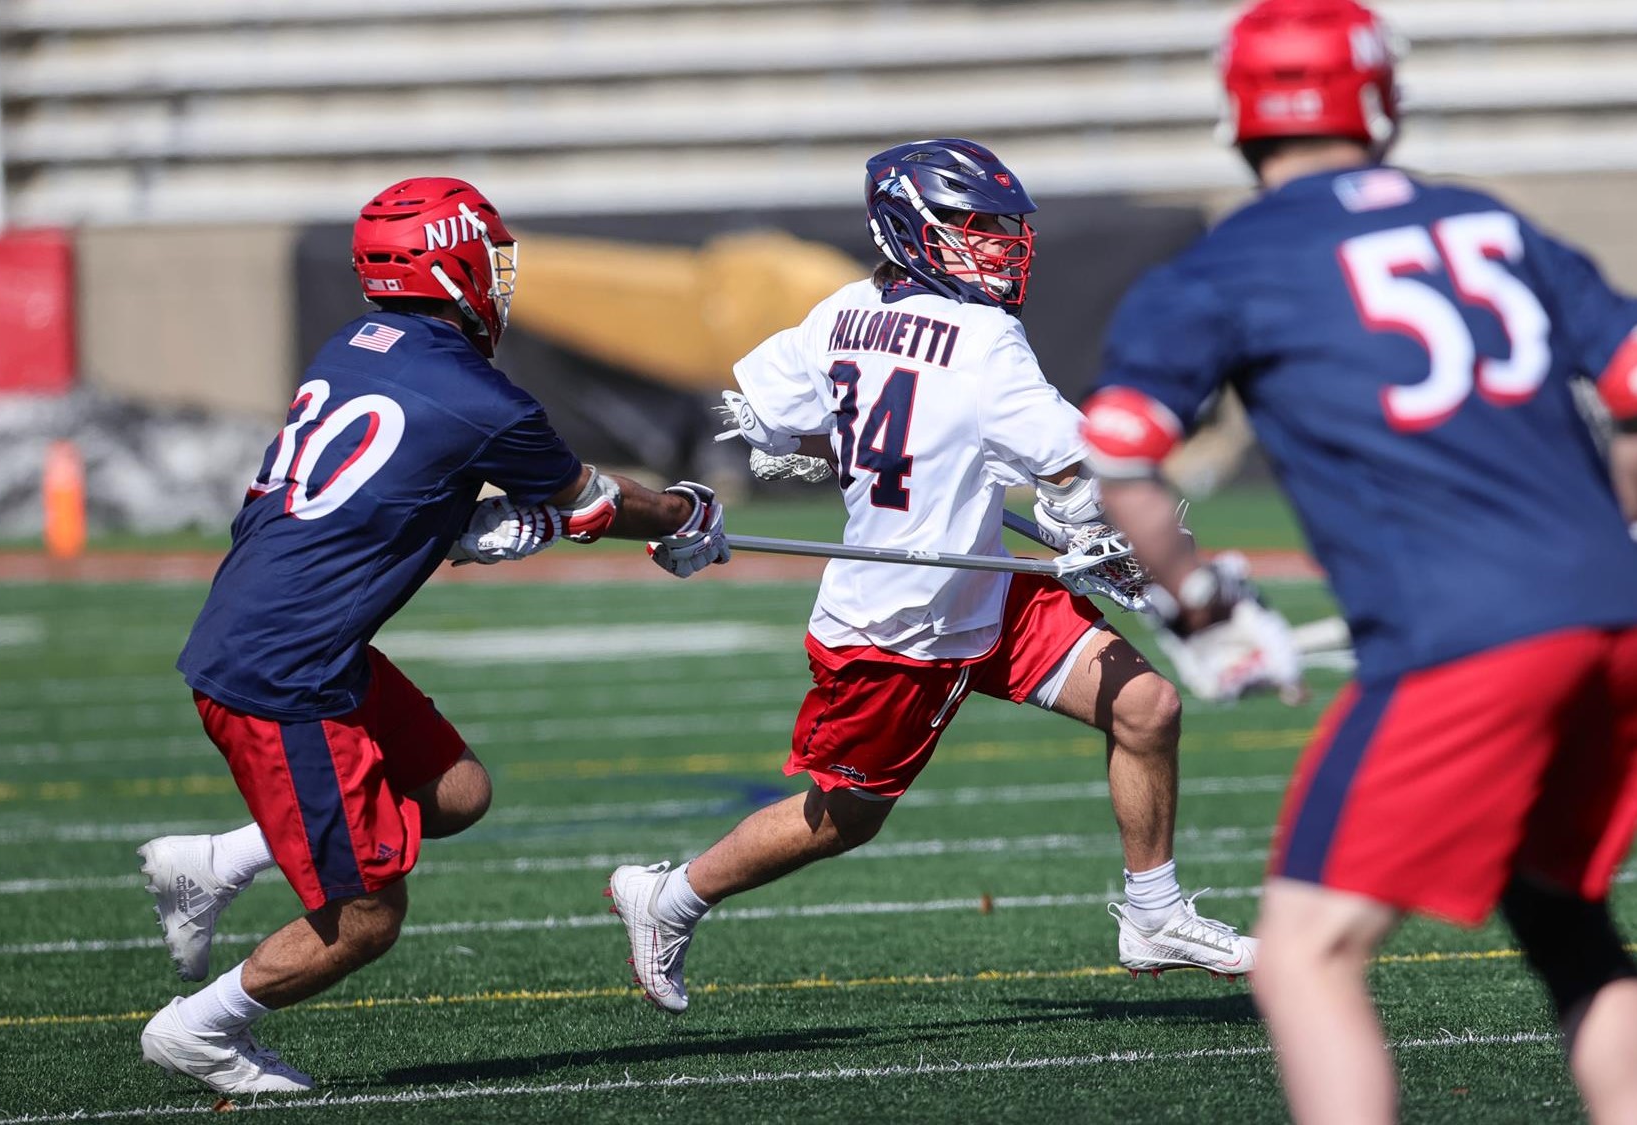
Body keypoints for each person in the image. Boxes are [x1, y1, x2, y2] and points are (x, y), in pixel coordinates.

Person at [1080, 3, 1637, 1123]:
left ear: (1239, 114)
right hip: (1619, 623)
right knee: (1563, 921)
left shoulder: (1226, 267)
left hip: (1463, 641)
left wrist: (1204, 603)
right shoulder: (1485, 221)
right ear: (1378, 100)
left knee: (1301, 955)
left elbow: (1120, 453)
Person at [606, 138, 1257, 1014]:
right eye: (969, 224)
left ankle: (1154, 912)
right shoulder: (985, 338)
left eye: (997, 226)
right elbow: (1078, 467)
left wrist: (849, 448)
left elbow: (760, 412)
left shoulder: (842, 309)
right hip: (899, 625)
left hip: (978, 587)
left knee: (1147, 707)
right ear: (907, 225)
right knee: (843, 818)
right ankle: (670, 895)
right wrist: (1118, 539)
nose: (994, 243)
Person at [135, 176, 732, 1095]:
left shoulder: (352, 345)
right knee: (367, 916)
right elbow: (596, 504)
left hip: (295, 637)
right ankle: (197, 1029)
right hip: (285, 671)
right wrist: (685, 514)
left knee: (455, 791)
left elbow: (346, 495)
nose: (499, 276)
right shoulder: (478, 395)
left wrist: (459, 524)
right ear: (449, 262)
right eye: (488, 255)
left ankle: (215, 863)